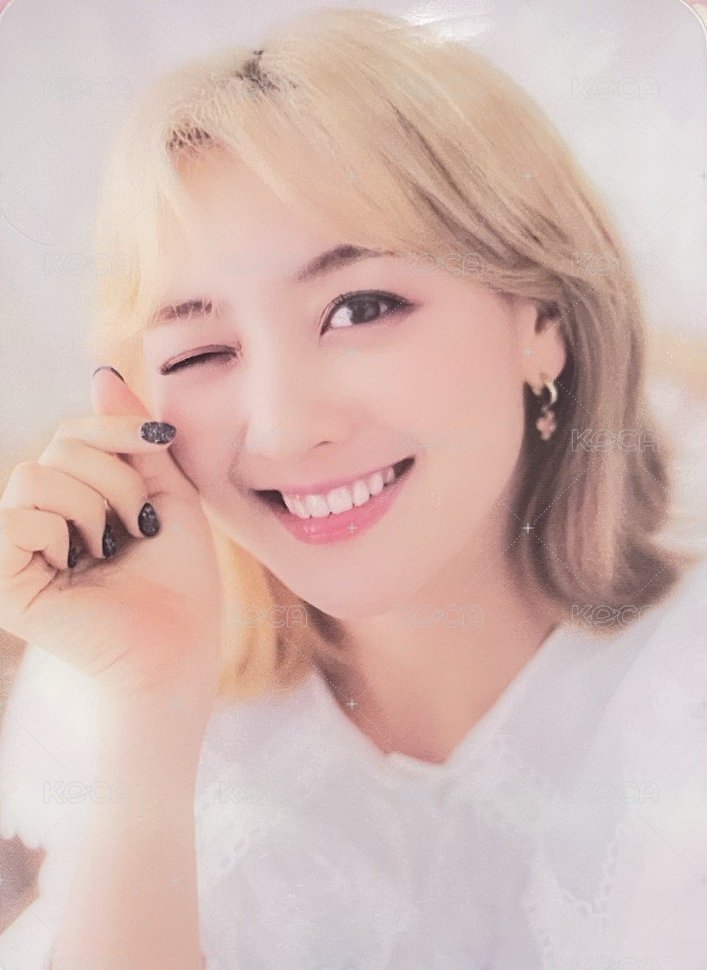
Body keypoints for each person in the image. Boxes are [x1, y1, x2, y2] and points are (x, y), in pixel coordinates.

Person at [0, 7, 705, 968]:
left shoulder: (676, 686)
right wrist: (151, 712)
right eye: (202, 351)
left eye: (360, 307)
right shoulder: (119, 702)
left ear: (539, 321)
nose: (286, 428)